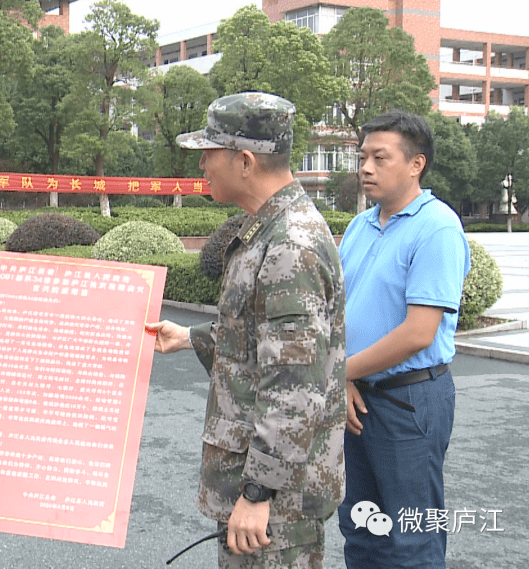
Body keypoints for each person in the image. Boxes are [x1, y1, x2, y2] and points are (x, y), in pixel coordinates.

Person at [146, 92, 346, 568]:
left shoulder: (289, 246)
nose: (201, 164)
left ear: (245, 160)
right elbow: (261, 342)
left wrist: (259, 491)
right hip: (268, 490)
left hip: (278, 504)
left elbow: (295, 386)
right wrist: (191, 337)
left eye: (209, 152)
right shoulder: (269, 230)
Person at [336, 110, 469, 569]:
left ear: (416, 164)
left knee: (413, 538)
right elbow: (337, 312)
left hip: (409, 401)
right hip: (356, 397)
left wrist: (339, 374)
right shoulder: (360, 226)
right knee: (361, 528)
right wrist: (347, 380)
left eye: (380, 157)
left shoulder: (437, 228)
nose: (366, 168)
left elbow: (418, 333)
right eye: (362, 157)